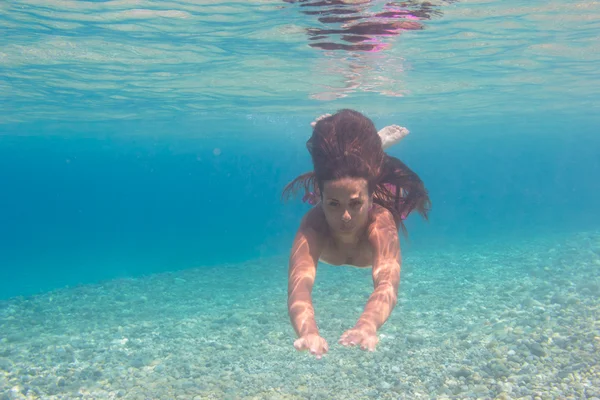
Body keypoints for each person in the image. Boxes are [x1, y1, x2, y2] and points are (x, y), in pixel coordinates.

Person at [282, 109, 430, 358]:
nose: (346, 217)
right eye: (333, 205)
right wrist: (306, 331)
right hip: (344, 191)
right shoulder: (314, 225)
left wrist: (367, 324)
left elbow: (387, 281)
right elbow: (298, 287)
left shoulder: (379, 222)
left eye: (355, 205)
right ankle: (361, 152)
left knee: (363, 183)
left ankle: (372, 151)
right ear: (320, 198)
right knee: (344, 181)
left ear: (369, 200)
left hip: (371, 196)